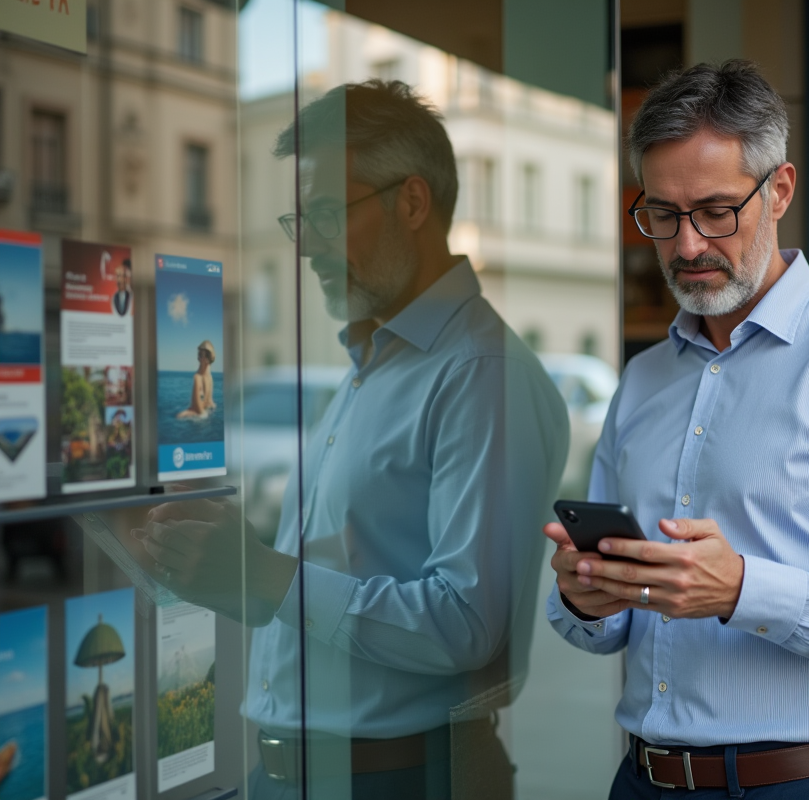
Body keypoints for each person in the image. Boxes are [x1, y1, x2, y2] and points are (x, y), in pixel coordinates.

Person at [543, 61, 809, 799]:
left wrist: (744, 589)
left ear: (779, 190)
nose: (686, 246)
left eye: (716, 211)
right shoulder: (642, 379)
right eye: (662, 214)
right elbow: (599, 626)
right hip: (641, 780)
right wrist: (588, 596)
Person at [133, 80, 569, 798]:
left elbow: (465, 625)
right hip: (312, 774)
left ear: (412, 203)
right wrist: (226, 569)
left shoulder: (478, 373)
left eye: (329, 216)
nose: (307, 247)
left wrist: (268, 575)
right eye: (299, 221)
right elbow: (335, 587)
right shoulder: (376, 363)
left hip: (395, 779)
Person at [175, 340, 216, 419]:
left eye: (200, 355)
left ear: (205, 359)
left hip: (200, 416)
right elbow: (210, 402)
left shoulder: (198, 377)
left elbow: (198, 409)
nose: (198, 358)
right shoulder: (210, 377)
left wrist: (200, 413)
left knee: (178, 416)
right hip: (209, 411)